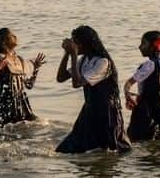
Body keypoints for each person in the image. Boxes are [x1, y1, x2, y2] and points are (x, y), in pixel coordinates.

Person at [55, 25, 131, 154]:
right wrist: (67, 53)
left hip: (106, 111)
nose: (73, 45)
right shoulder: (83, 60)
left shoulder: (103, 62)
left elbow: (77, 83)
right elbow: (61, 77)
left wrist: (73, 54)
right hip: (90, 108)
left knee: (109, 148)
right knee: (66, 149)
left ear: (85, 44)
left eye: (76, 42)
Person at [0, 27, 46, 126]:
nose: (15, 36)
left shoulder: (19, 59)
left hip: (22, 104)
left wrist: (36, 69)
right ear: (4, 42)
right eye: (11, 35)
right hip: (5, 105)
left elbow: (29, 85)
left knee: (40, 124)